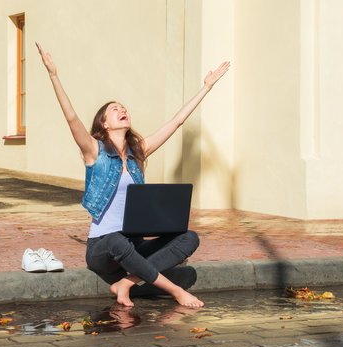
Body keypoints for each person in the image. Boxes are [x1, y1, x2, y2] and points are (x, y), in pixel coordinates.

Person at [36, 42, 229, 308]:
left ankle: (125, 283)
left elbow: (176, 123)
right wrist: (53, 75)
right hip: (102, 248)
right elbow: (72, 119)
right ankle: (175, 291)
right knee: (115, 239)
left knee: (189, 237)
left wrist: (206, 87)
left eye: (123, 107)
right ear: (104, 123)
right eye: (114, 109)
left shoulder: (138, 153)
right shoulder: (95, 151)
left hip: (132, 244)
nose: (121, 110)